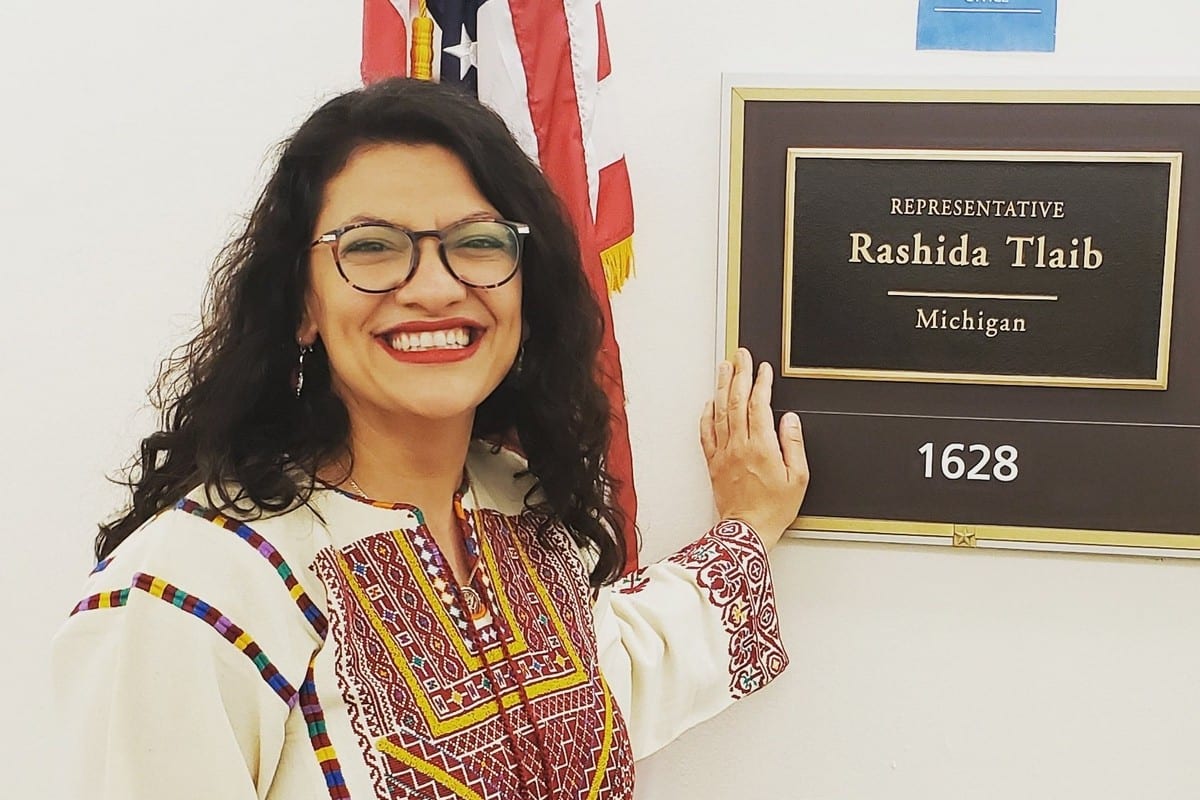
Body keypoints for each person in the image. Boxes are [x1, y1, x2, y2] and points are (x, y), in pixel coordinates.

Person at [51, 77, 809, 800]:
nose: (436, 287)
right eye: (372, 247)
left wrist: (748, 525)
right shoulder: (189, 590)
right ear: (302, 305)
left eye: (478, 242)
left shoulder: (518, 505)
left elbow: (611, 681)